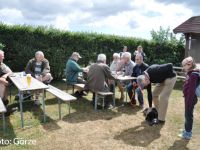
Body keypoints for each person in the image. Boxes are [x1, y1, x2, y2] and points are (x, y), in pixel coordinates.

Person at [178, 57, 199, 140]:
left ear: (189, 64)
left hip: (190, 100)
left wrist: (188, 103)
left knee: (188, 116)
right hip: (188, 99)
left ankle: (188, 133)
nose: (183, 67)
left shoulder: (193, 75)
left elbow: (191, 91)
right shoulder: (190, 73)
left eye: (184, 65)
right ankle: (187, 130)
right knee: (187, 116)